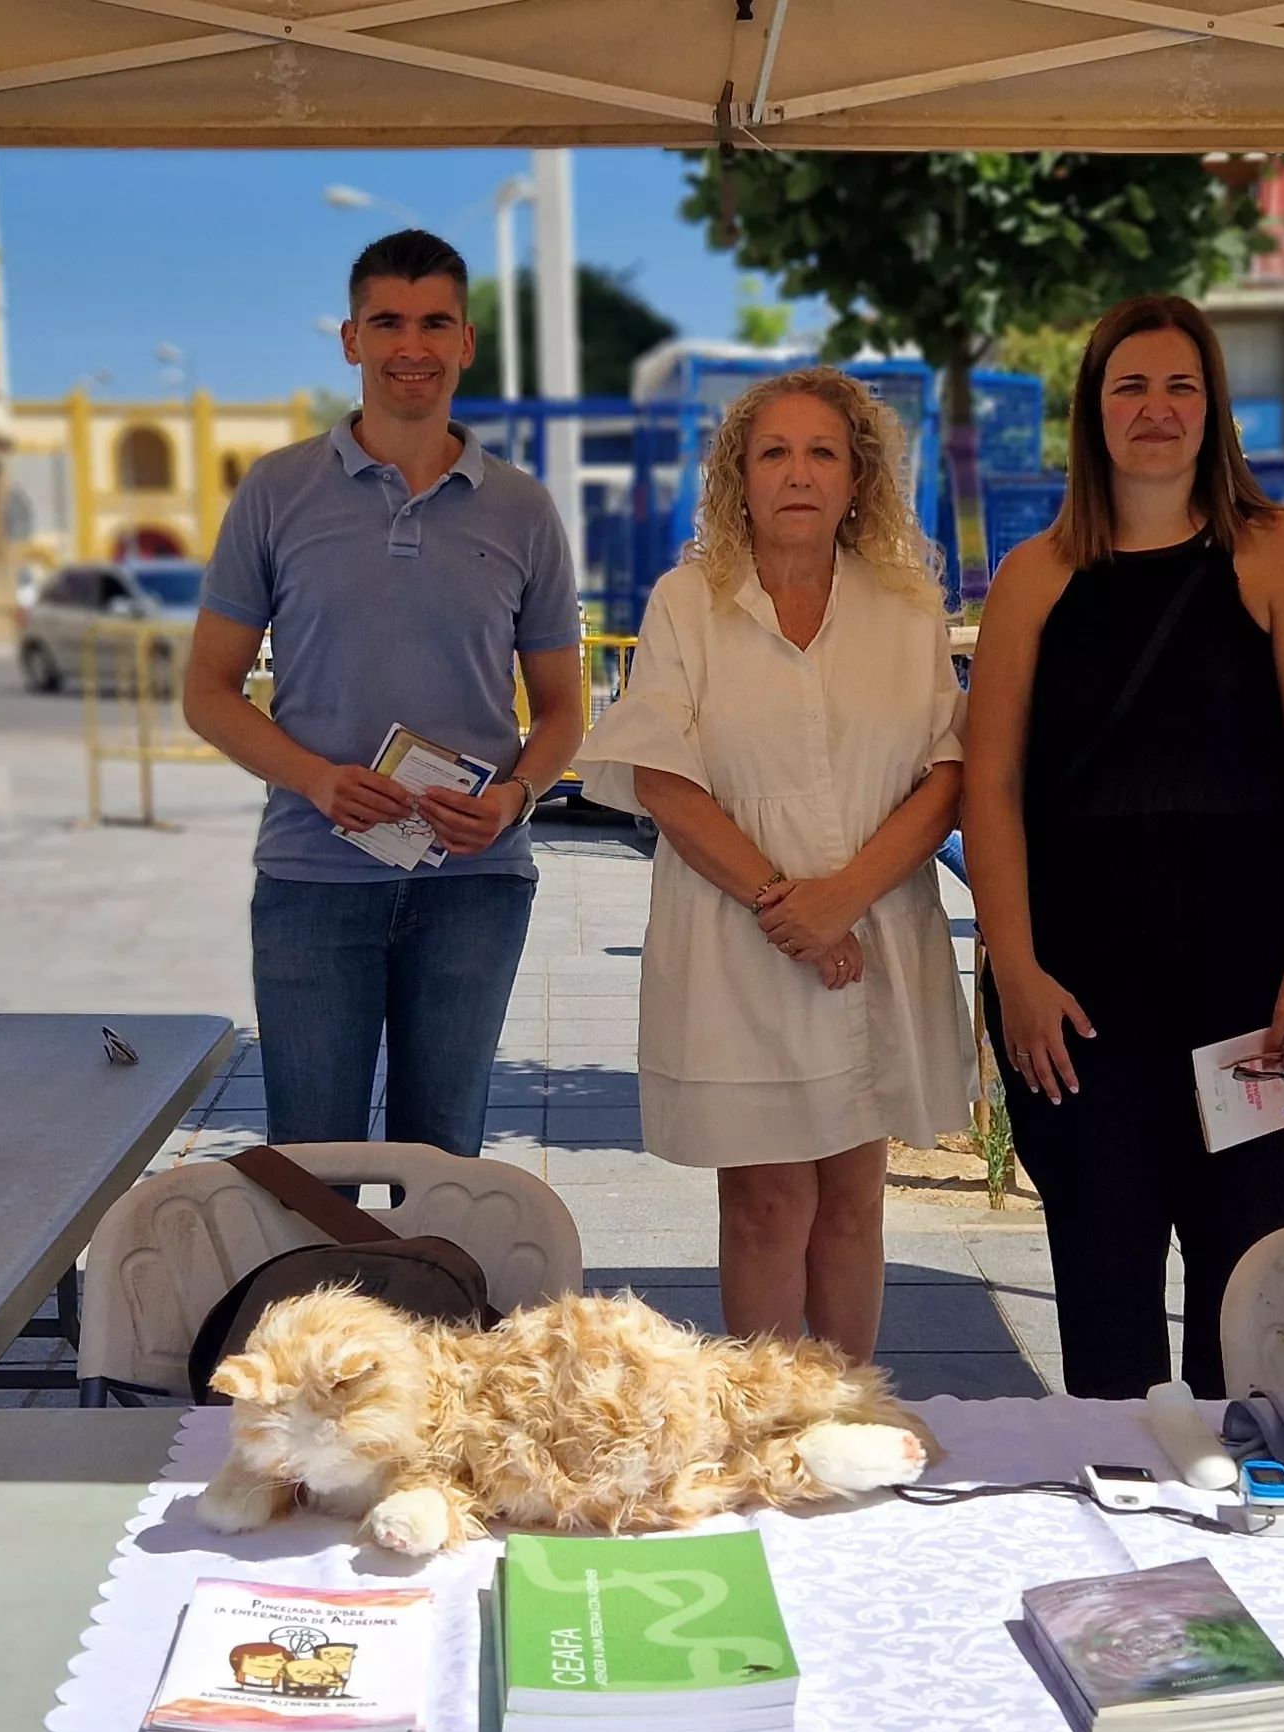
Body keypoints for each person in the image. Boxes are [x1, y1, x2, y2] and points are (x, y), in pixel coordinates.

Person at [964, 295, 1284, 1401]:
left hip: (1260, 991)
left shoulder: (1277, 553)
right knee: (1102, 1311)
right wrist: (1015, 970)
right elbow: (987, 788)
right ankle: (1122, 1552)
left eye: (1179, 385)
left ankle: (1238, 1541)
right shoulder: (1034, 578)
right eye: (1129, 386)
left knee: (1245, 1302)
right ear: (1092, 415)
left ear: (1214, 408)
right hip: (1080, 1008)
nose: (1156, 409)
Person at [576, 369, 971, 1363]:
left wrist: (842, 898)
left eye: (822, 453)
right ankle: (762, 1429)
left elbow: (948, 773)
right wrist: (784, 905)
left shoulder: (906, 607)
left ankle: (845, 1419)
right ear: (738, 477)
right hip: (734, 942)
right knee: (764, 1200)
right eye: (774, 453)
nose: (798, 473)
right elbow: (663, 778)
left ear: (857, 479)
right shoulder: (685, 603)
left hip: (873, 929)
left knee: (851, 1196)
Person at [181, 230, 587, 1157]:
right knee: (313, 1162)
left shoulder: (523, 509)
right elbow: (208, 692)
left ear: (466, 342)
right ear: (351, 340)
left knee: (441, 1167)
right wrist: (317, 779)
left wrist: (515, 800)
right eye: (389, 322)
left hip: (473, 885)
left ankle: (428, 1312)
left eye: (435, 322)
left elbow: (564, 708)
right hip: (312, 879)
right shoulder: (277, 493)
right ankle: (319, 1313)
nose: (413, 345)